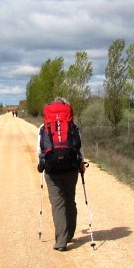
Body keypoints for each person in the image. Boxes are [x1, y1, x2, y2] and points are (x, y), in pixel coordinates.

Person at [36, 99, 84, 252]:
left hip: (52, 170)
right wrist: (81, 164)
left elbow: (39, 150)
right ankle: (69, 234)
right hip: (71, 168)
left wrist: (42, 163)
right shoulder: (73, 127)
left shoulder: (43, 127)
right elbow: (79, 147)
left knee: (58, 204)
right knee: (70, 200)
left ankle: (61, 242)